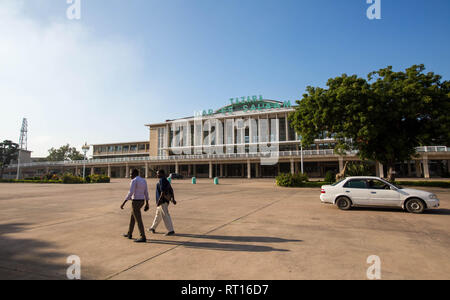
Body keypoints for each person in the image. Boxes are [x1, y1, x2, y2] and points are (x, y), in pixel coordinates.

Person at [120, 169, 149, 243]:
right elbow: (146, 192)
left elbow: (131, 192)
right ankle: (129, 233)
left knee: (138, 220)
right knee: (133, 218)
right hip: (141, 201)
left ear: (134, 173)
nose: (130, 175)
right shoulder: (143, 180)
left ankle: (143, 237)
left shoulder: (134, 180)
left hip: (135, 202)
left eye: (130, 174)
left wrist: (124, 202)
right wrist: (147, 203)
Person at [149, 169, 176, 236]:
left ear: (162, 174)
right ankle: (153, 227)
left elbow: (162, 192)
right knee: (158, 215)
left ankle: (171, 230)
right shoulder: (166, 180)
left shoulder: (162, 180)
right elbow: (171, 190)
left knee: (165, 215)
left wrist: (159, 201)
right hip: (163, 201)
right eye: (157, 173)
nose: (157, 175)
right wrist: (173, 199)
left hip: (163, 201)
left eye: (158, 173)